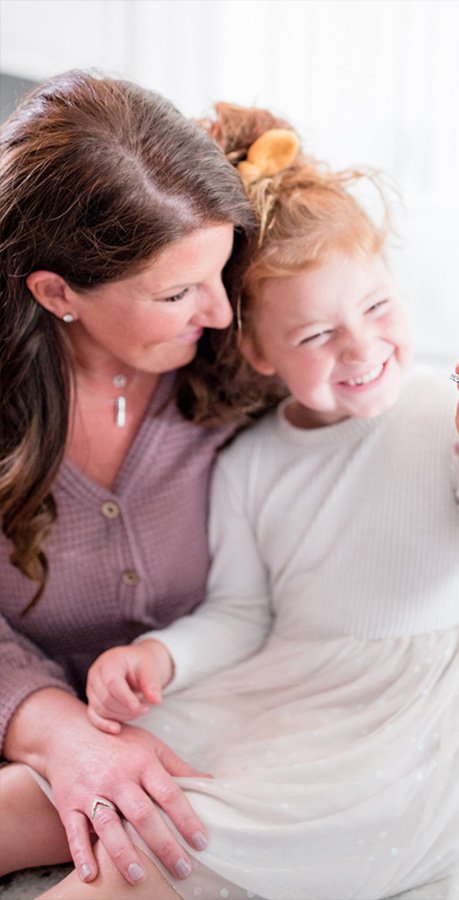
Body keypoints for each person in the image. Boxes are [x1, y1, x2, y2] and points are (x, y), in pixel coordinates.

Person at [1, 106, 459, 900]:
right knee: (62, 790)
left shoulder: (444, 427)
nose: (362, 349)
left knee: (148, 846)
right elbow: (245, 613)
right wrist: (161, 657)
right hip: (273, 687)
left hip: (387, 738)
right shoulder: (252, 459)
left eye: (378, 307)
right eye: (314, 337)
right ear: (257, 351)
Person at [0, 72, 285, 888]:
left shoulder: (234, 358)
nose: (220, 313)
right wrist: (59, 733)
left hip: (212, 712)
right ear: (57, 293)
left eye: (218, 273)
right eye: (174, 292)